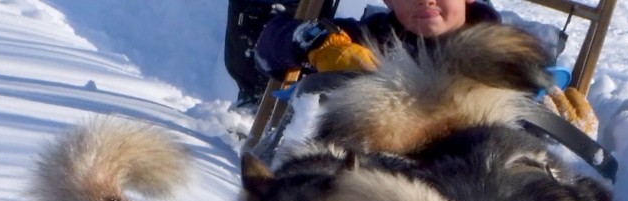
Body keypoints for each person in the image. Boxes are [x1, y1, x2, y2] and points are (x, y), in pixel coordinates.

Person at [251, 0, 598, 137]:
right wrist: (316, 42)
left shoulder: (513, 56)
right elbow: (269, 45)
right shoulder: (370, 39)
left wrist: (556, 127)